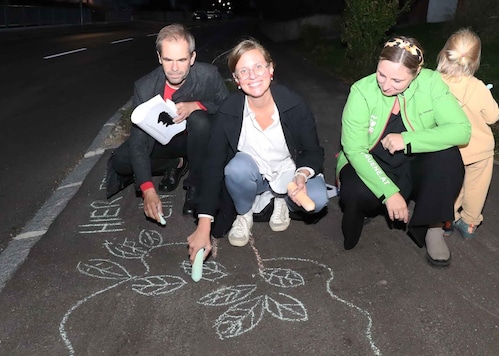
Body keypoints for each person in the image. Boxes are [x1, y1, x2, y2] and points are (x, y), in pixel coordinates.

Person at [186, 38, 329, 262]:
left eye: (258, 67)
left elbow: (314, 152)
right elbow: (212, 165)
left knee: (318, 199)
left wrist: (301, 175)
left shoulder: (294, 105)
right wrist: (204, 225)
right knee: (235, 168)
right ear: (236, 80)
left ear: (271, 70)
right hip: (253, 175)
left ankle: (282, 199)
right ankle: (245, 213)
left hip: (289, 174)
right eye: (243, 71)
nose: (252, 75)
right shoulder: (229, 111)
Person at [336, 36, 471, 267]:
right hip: (371, 162)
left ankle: (433, 227)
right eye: (381, 74)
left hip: (413, 164)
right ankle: (362, 213)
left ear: (416, 73)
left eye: (397, 80)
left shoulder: (431, 83)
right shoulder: (361, 91)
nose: (386, 85)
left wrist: (408, 140)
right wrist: (389, 193)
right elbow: (355, 150)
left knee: (448, 157)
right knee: (355, 192)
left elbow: (461, 131)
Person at [105, 24, 229, 220]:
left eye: (182, 60)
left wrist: (198, 105)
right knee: (120, 160)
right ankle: (176, 163)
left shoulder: (208, 75)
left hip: (199, 139)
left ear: (192, 58)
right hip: (164, 142)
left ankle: (195, 185)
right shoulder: (145, 87)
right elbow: (139, 141)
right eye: (168, 59)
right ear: (159, 58)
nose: (174, 68)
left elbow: (228, 108)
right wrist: (147, 189)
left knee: (200, 121)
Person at [437, 28, 499, 239]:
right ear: (475, 59)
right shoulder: (478, 87)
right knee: (476, 186)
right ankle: (470, 224)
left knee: (449, 184)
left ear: (446, 52)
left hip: (448, 148)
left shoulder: (433, 83)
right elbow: (493, 117)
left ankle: (448, 218)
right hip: (479, 149)